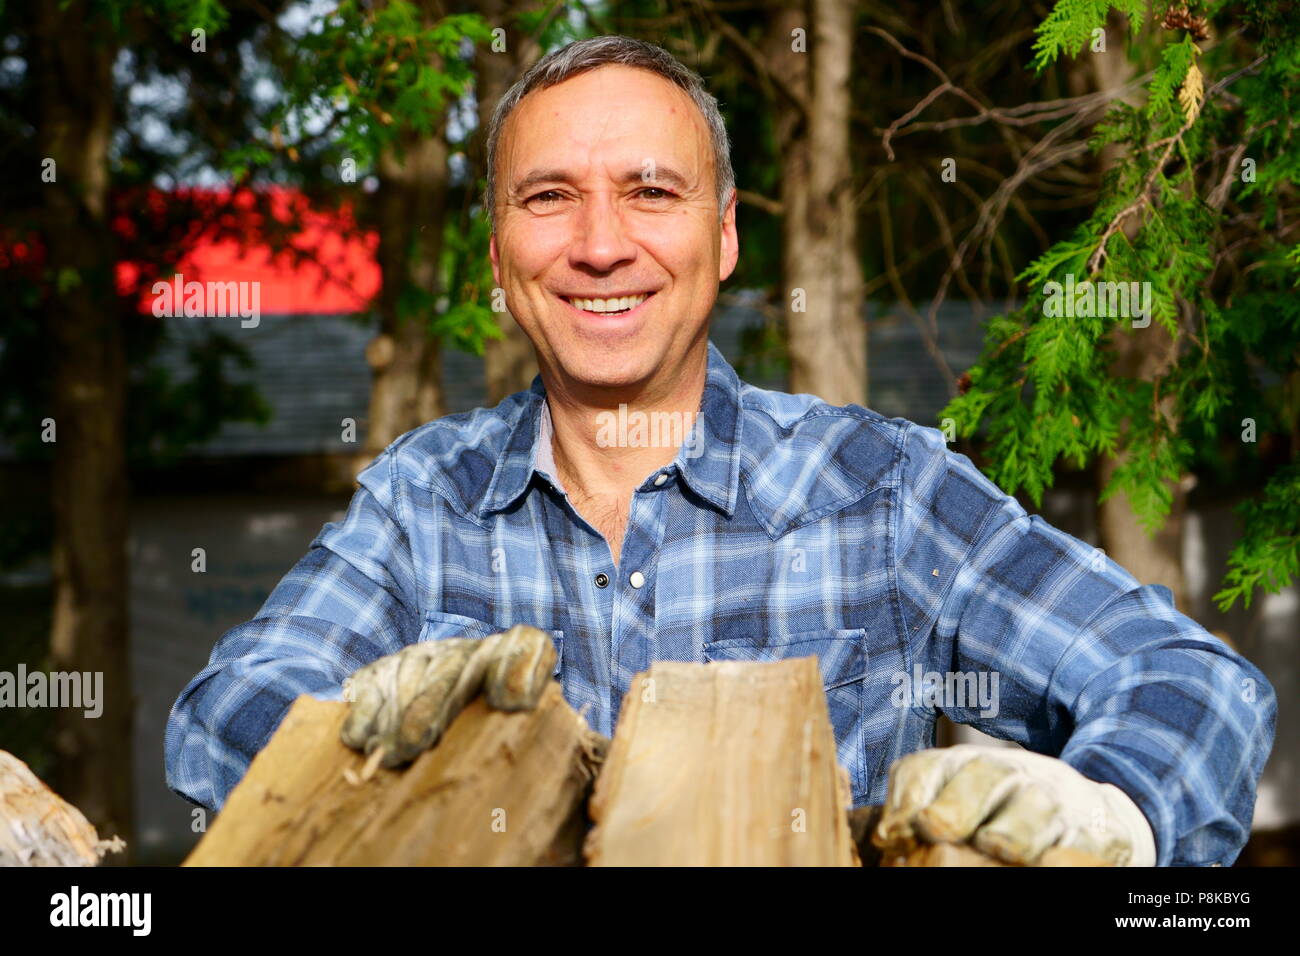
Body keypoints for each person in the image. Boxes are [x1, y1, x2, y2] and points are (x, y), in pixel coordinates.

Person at [166, 35, 1275, 867]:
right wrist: (375, 744)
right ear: (499, 256)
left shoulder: (881, 488)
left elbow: (1190, 682)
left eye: (652, 191)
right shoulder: (421, 500)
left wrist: (1106, 811)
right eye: (549, 199)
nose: (601, 245)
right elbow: (225, 711)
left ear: (727, 234)